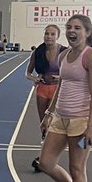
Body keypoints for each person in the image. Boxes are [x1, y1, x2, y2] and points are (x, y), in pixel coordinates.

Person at [38, 14, 92, 182]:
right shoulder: (64, 55)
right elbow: (62, 86)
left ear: (87, 32)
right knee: (45, 162)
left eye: (76, 27)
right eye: (68, 27)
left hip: (82, 119)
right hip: (61, 118)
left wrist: (91, 125)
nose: (71, 31)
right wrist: (49, 112)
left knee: (76, 169)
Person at [25, 25, 66, 171]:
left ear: (57, 36)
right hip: (42, 90)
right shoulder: (38, 51)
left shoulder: (64, 52)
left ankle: (47, 157)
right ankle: (45, 156)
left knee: (54, 124)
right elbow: (28, 72)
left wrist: (60, 77)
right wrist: (34, 78)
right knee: (44, 123)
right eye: (47, 34)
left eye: (52, 34)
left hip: (57, 91)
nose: (49, 36)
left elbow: (72, 73)